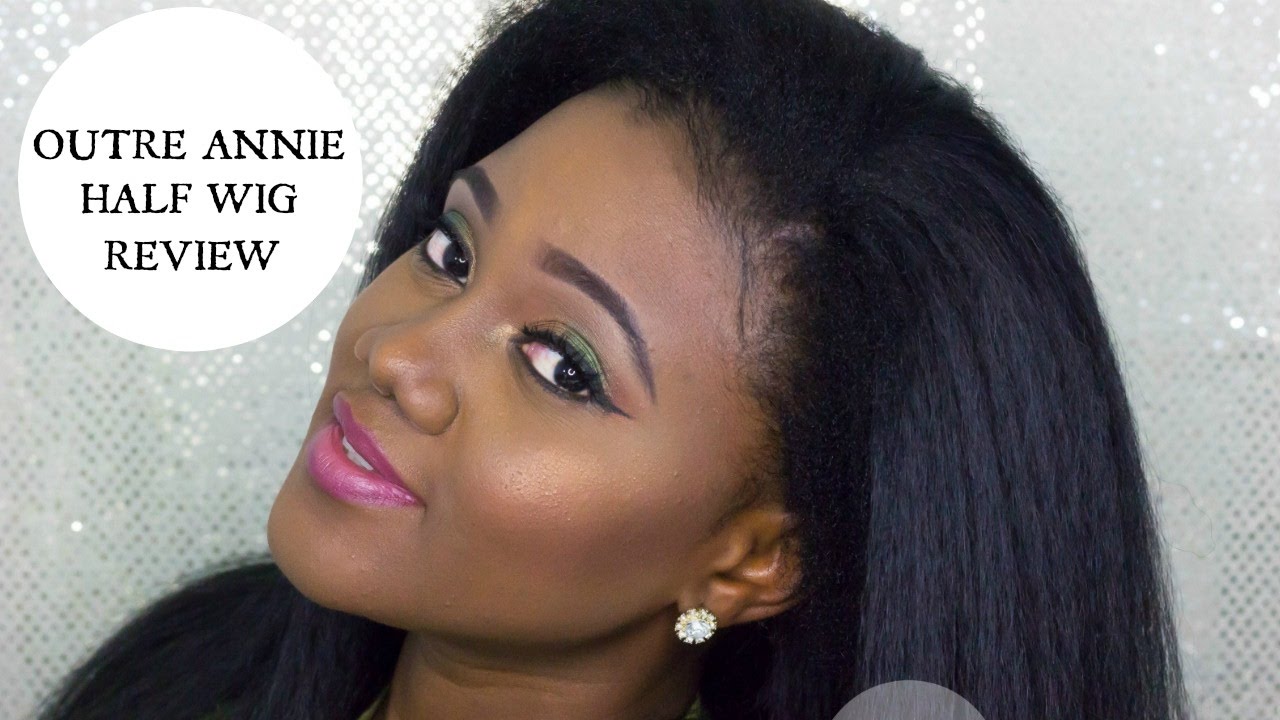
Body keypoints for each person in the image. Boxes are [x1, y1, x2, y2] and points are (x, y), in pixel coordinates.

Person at [35, 1, 1192, 718]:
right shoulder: (184, 679)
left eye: (559, 365)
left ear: (752, 563)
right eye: (450, 251)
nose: (400, 353)